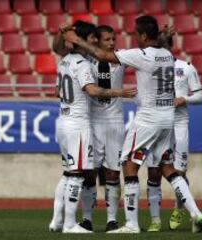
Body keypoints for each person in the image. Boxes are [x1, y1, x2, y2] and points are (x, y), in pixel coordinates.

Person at [63, 15, 202, 234]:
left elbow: (102, 55)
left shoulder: (141, 55)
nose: (134, 38)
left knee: (128, 165)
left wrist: (75, 38)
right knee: (168, 167)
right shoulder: (167, 55)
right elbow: (152, 47)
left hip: (147, 120)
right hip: (168, 118)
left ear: (143, 35)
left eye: (136, 34)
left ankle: (131, 224)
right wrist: (163, 37)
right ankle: (196, 213)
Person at [49, 20, 136, 234]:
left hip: (108, 123)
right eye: (103, 38)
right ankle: (80, 220)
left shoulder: (116, 58)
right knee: (82, 174)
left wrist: (65, 35)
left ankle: (108, 220)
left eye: (111, 39)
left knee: (107, 173)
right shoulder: (86, 61)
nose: (109, 42)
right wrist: (120, 92)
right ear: (89, 40)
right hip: (86, 122)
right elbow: (92, 90)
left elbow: (59, 51)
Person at [145, 35, 202, 232]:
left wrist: (184, 99)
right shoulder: (150, 68)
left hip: (178, 123)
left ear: (169, 47)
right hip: (157, 124)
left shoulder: (185, 67)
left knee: (179, 171)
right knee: (154, 171)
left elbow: (200, 95)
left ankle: (179, 209)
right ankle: (155, 219)